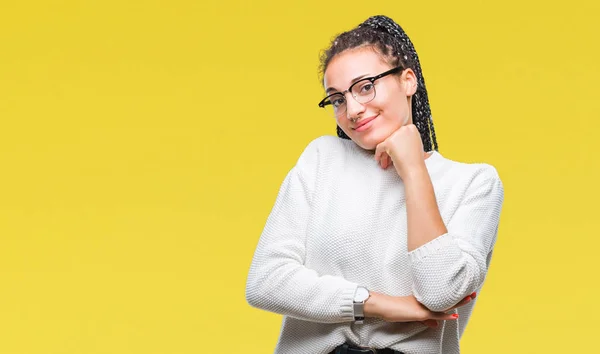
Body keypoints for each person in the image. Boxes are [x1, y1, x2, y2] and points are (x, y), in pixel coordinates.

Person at [245, 14, 504, 354]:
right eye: (337, 99)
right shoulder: (322, 159)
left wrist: (413, 170)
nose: (352, 109)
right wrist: (374, 304)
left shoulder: (474, 183)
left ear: (408, 81)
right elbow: (266, 281)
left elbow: (441, 291)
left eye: (365, 87)